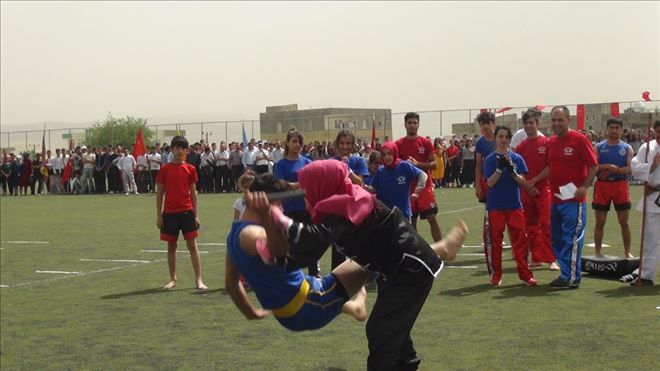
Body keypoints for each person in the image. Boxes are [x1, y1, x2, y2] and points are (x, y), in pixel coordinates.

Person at [277, 160, 468, 370]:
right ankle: (407, 365)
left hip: (409, 270)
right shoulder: (345, 201)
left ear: (323, 187)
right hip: (394, 269)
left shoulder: (345, 208)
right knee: (393, 329)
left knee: (381, 329)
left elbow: (311, 245)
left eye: (308, 191)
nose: (305, 197)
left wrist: (271, 260)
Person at [225, 174, 369, 330]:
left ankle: (354, 307)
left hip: (288, 313)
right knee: (372, 253)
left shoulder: (233, 235)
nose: (281, 210)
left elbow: (231, 283)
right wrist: (267, 216)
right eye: (279, 205)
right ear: (267, 204)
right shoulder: (252, 233)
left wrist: (249, 312)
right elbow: (279, 251)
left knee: (355, 265)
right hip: (310, 304)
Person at [546, 106, 597, 289]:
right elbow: (550, 168)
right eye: (553, 120)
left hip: (574, 201)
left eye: (560, 120)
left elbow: (593, 166)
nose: (557, 124)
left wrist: (585, 186)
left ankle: (572, 278)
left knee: (572, 238)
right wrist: (533, 180)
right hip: (556, 199)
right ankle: (565, 273)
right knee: (557, 238)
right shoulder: (551, 143)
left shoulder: (579, 140)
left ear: (569, 120)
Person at [483, 126, 537, 286]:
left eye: (506, 136)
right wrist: (499, 169)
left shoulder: (518, 158)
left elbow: (524, 183)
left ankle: (526, 275)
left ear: (510, 139)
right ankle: (496, 275)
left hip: (514, 205)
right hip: (495, 206)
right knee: (495, 242)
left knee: (520, 242)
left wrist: (513, 171)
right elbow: (490, 183)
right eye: (500, 136)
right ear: (496, 138)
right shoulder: (490, 159)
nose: (503, 139)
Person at [156, 136, 207, 290]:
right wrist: (159, 215)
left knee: (193, 246)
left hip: (187, 212)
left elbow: (193, 193)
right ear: (171, 149)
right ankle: (173, 279)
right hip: (169, 213)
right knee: (171, 247)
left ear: (187, 151)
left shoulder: (190, 169)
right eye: (176, 147)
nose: (179, 151)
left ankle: (198, 279)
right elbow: (159, 193)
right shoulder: (164, 169)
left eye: (182, 148)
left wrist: (195, 214)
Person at [515, 109, 558, 271]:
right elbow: (517, 170)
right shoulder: (520, 146)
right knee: (530, 225)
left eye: (531, 123)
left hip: (544, 190)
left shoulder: (546, 143)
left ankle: (552, 258)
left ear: (537, 124)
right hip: (526, 191)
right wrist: (527, 185)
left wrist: (534, 181)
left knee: (547, 224)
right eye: (526, 123)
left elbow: (550, 166)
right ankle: (536, 257)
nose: (528, 126)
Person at [273, 130, 318, 276]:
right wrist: (299, 184)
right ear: (287, 143)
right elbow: (281, 185)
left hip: (307, 208)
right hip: (289, 209)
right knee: (290, 244)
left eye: (299, 142)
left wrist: (296, 185)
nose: (297, 145)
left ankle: (314, 274)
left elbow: (312, 183)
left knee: (310, 241)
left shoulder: (307, 162)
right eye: (294, 141)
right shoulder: (280, 165)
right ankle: (290, 276)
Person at [623, 120, 660, 286]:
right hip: (653, 199)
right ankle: (646, 274)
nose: (659, 136)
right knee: (650, 239)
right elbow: (635, 167)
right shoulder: (647, 147)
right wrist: (651, 167)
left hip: (654, 191)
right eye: (657, 132)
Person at [395, 112, 442, 242]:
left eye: (415, 123)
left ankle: (441, 249)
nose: (412, 125)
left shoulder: (425, 142)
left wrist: (417, 164)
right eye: (409, 123)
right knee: (411, 221)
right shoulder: (398, 144)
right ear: (405, 125)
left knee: (431, 217)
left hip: (424, 186)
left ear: (418, 125)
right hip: (407, 188)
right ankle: (417, 252)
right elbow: (395, 164)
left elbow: (433, 165)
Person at [592, 118, 634, 258]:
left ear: (621, 130)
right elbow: (592, 167)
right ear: (607, 129)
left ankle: (627, 252)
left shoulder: (627, 148)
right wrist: (606, 167)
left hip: (620, 185)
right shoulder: (598, 147)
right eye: (611, 127)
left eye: (617, 127)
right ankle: (597, 251)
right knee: (600, 222)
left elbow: (630, 168)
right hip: (602, 187)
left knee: (624, 222)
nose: (614, 130)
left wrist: (615, 171)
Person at [369, 142, 427, 222]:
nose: (387, 157)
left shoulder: (404, 166)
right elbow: (372, 188)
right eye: (384, 154)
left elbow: (423, 175)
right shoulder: (380, 171)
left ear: (395, 153)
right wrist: (362, 188)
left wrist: (417, 191)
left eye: (389, 153)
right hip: (386, 216)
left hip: (403, 215)